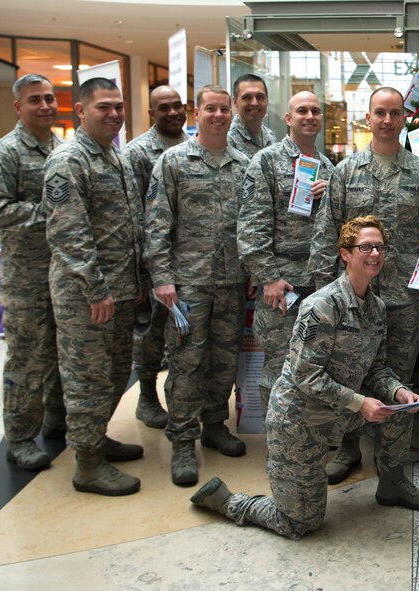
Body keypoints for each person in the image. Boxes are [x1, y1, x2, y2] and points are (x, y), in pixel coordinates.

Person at [191, 216, 419, 538]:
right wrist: (361, 402)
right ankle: (227, 501)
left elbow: (376, 367)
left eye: (380, 247)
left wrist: (399, 391)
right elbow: (305, 376)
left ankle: (391, 484)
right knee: (299, 523)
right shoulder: (322, 305)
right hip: (299, 422)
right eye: (365, 247)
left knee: (398, 412)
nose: (374, 254)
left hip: (339, 414)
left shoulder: (375, 307)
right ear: (345, 254)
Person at [309, 87, 419, 496]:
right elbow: (326, 235)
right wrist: (324, 294)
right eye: (380, 112)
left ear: (405, 118)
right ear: (369, 117)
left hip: (402, 302)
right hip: (351, 301)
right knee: (346, 375)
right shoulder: (346, 171)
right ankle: (347, 450)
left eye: (395, 113)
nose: (388, 120)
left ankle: (392, 476)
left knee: (398, 384)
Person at [144, 85, 250, 486]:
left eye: (224, 109)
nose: (219, 115)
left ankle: (214, 425)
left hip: (231, 282)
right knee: (187, 364)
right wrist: (162, 279)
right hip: (187, 286)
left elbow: (252, 225)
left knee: (224, 362)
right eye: (211, 109)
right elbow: (156, 224)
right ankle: (183, 441)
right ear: (197, 112)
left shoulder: (244, 165)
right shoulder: (173, 162)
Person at [43, 77, 145, 495]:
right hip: (86, 297)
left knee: (115, 372)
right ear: (80, 111)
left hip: (118, 289)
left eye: (118, 106)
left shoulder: (113, 156)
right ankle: (86, 463)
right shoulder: (69, 160)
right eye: (104, 107)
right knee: (87, 378)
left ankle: (96, 438)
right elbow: (68, 232)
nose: (114, 114)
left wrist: (132, 282)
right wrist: (95, 289)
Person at [0, 73, 66, 470]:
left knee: (61, 358)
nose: (45, 105)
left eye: (49, 98)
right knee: (27, 362)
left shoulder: (62, 149)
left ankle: (56, 423)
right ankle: (20, 438)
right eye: (35, 100)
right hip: (27, 280)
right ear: (18, 106)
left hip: (62, 274)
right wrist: (47, 215)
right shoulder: (5, 152)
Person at [237, 91, 334, 416]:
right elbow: (251, 228)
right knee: (279, 368)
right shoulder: (266, 161)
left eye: (315, 111)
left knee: (316, 367)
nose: (310, 116)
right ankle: (278, 450)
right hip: (283, 287)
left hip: (320, 287)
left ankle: (305, 443)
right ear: (289, 119)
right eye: (302, 111)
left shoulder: (329, 168)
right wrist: (268, 278)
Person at [123, 85, 189, 429]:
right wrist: (144, 270)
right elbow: (136, 214)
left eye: (178, 105)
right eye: (165, 107)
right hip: (155, 263)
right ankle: (147, 396)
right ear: (152, 114)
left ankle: (182, 400)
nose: (174, 112)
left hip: (190, 261)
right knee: (151, 336)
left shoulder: (193, 146)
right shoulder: (138, 153)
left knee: (182, 337)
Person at [227, 74, 276, 157]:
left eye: (260, 97)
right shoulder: (227, 139)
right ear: (235, 102)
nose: (255, 103)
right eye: (247, 97)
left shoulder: (270, 136)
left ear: (267, 100)